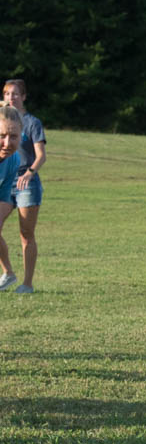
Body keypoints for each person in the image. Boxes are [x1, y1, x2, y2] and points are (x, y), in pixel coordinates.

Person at [0, 79, 46, 294]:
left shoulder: (32, 123)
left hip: (26, 182)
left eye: (15, 94)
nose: (11, 97)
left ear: (24, 96)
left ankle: (27, 284)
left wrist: (29, 174)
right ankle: (8, 273)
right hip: (6, 180)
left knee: (26, 233)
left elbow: (41, 155)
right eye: (7, 94)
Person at [0, 107, 25, 292]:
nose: (7, 143)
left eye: (13, 136)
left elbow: (4, 195)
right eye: (2, 135)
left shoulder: (14, 159)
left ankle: (8, 274)